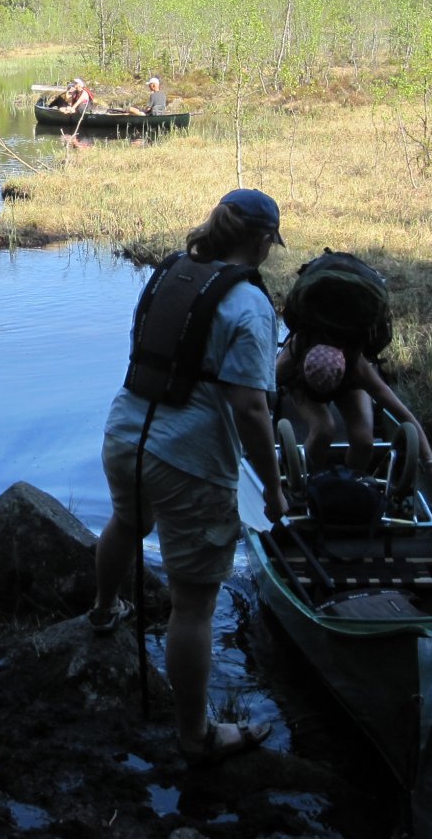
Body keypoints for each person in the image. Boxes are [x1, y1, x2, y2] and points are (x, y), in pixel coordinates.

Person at [88, 187, 287, 766]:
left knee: (126, 520)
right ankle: (194, 734)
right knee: (194, 605)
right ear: (260, 241)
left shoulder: (168, 274)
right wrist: (273, 487)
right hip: (190, 462)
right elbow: (251, 409)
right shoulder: (249, 306)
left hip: (125, 436)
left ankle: (103, 614)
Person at [276, 337, 432, 484]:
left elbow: (404, 415)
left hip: (346, 381)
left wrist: (431, 463)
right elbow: (258, 399)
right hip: (302, 384)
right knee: (323, 430)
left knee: (364, 440)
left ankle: (351, 485)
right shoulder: (287, 362)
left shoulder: (359, 370)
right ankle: (308, 484)